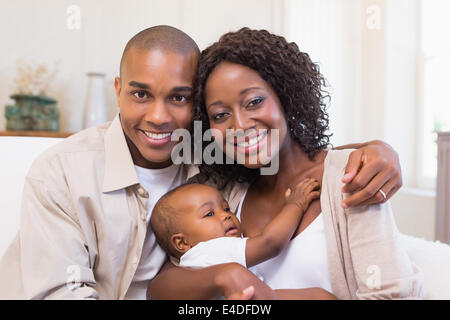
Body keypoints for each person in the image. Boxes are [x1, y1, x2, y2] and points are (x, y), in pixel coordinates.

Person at [0, 25, 405, 300]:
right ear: (119, 91)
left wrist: (375, 149)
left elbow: (289, 154)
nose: (159, 117)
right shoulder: (63, 173)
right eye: (141, 94)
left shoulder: (213, 170)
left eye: (177, 97)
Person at [148, 28, 425, 300]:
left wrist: (380, 147)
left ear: (285, 96)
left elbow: (392, 295)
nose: (240, 126)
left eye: (254, 102)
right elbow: (162, 287)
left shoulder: (352, 178)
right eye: (220, 115)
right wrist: (227, 276)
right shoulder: (227, 192)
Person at [150, 181, 336, 299]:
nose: (226, 216)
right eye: (209, 214)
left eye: (227, 208)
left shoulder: (191, 265)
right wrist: (295, 204)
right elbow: (270, 243)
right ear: (182, 244)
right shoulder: (210, 250)